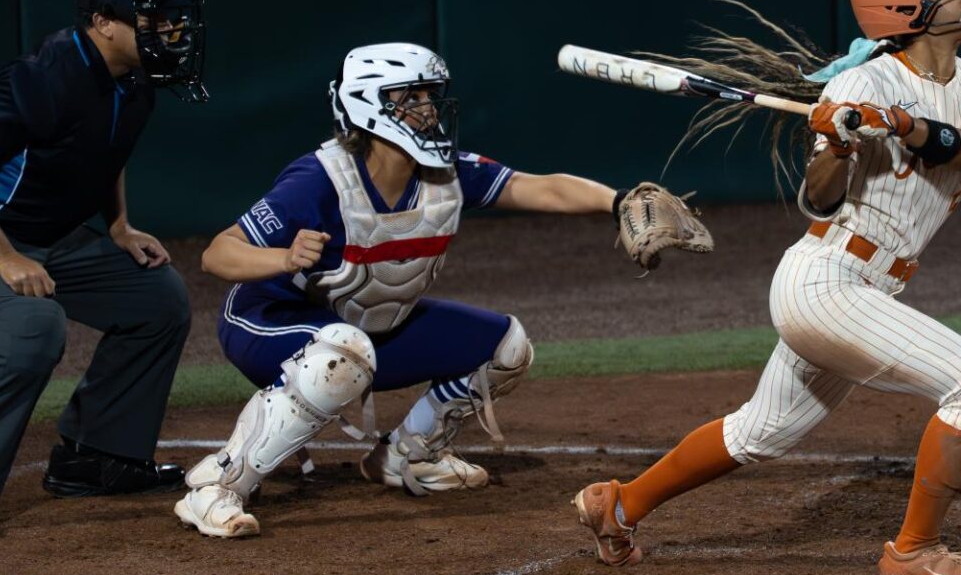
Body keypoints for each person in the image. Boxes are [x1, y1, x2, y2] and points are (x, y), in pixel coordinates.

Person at [572, 0, 961, 575]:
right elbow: (821, 195)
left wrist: (898, 124)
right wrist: (835, 140)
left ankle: (620, 505)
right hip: (825, 280)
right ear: (903, 7)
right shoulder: (859, 83)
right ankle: (913, 553)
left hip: (874, 290)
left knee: (762, 432)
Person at [174, 42, 709, 538]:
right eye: (412, 98)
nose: (428, 109)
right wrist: (282, 258)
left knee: (505, 347)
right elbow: (217, 253)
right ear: (367, 106)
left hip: (360, 330)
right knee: (340, 352)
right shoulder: (319, 180)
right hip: (266, 323)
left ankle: (406, 456)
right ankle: (217, 486)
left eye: (430, 96)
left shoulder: (442, 171)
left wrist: (615, 202)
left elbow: (536, 185)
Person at [0, 0, 209, 541]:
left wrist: (119, 225)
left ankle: (95, 456)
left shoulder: (136, 80)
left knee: (157, 299)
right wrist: (7, 258)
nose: (172, 29)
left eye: (173, 17)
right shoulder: (43, 78)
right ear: (104, 23)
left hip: (54, 235)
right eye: (155, 17)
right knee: (33, 327)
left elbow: (103, 152)